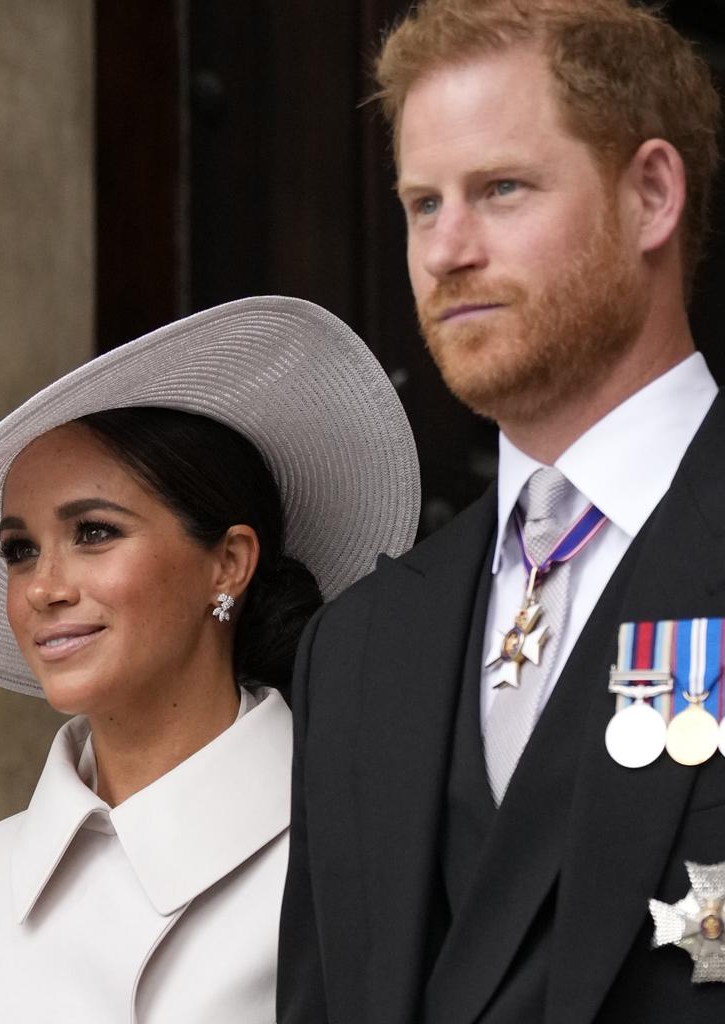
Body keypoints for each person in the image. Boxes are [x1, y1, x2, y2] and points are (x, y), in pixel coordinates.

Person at [277, 2, 725, 1021]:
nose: (446, 251)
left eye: (500, 190)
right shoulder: (353, 651)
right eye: (422, 204)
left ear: (651, 194)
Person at [0, 295, 420, 1022]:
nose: (43, 588)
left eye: (95, 533)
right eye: (21, 550)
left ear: (228, 563)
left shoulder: (372, 863)